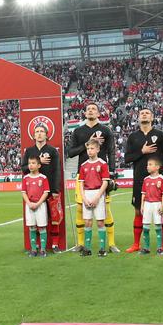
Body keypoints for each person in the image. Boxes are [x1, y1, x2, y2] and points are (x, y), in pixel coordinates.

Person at [68, 102, 117, 251]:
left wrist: (113, 172)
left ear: (98, 113)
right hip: (82, 175)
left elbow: (111, 151)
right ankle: (81, 244)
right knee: (79, 208)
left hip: (101, 176)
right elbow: (70, 153)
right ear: (84, 113)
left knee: (106, 208)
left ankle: (111, 244)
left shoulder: (105, 130)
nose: (90, 111)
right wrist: (88, 144)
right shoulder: (77, 131)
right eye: (88, 109)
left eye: (93, 109)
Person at [123, 109, 163, 253]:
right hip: (139, 181)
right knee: (138, 211)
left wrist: (157, 169)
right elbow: (127, 158)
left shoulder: (160, 135)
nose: (144, 115)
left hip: (157, 183)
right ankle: (136, 244)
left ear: (152, 117)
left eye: (147, 113)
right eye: (141, 113)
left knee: (160, 211)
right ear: (138, 118)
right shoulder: (133, 137)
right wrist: (142, 152)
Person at [20, 123, 64, 252]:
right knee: (37, 218)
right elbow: (23, 169)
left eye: (41, 131)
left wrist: (55, 190)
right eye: (37, 131)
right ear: (33, 135)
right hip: (34, 192)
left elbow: (57, 170)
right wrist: (38, 161)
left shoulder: (52, 151)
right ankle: (37, 245)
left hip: (50, 190)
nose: (39, 133)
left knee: (53, 217)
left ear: (46, 134)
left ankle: (55, 245)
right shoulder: (29, 151)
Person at [76, 138, 112, 257]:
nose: (89, 151)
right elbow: (80, 183)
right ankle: (87, 249)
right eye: (88, 149)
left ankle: (102, 249)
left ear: (97, 149)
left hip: (98, 194)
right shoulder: (83, 165)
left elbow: (105, 182)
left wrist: (97, 197)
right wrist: (84, 198)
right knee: (87, 222)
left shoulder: (102, 164)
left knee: (100, 222)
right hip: (87, 193)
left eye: (92, 148)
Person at [21, 155, 52, 257]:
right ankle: (33, 249)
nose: (31, 165)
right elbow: (24, 192)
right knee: (32, 227)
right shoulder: (25, 178)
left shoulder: (43, 178)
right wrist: (29, 203)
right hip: (29, 205)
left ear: (39, 165)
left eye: (33, 163)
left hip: (41, 205)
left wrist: (38, 203)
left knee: (42, 227)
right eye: (29, 163)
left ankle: (43, 250)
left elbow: (46, 192)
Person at [139, 156, 163, 255]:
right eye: (148, 164)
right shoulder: (146, 179)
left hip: (157, 204)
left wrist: (162, 206)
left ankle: (160, 248)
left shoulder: (162, 179)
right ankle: (146, 248)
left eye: (150, 164)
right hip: (147, 204)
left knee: (157, 226)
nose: (147, 166)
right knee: (146, 227)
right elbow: (143, 193)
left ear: (157, 167)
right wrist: (142, 205)